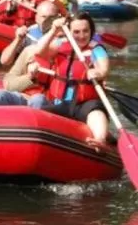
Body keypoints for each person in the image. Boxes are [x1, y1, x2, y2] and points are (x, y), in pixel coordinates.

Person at [37, 11, 111, 143]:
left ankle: (100, 139)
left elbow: (104, 68)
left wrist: (97, 73)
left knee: (96, 113)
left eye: (85, 31)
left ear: (91, 31)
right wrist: (54, 30)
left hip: (84, 105)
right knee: (41, 113)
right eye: (76, 32)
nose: (81, 36)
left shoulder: (96, 50)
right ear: (69, 32)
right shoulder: (60, 45)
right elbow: (39, 51)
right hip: (60, 103)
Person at [0, 0, 62, 108]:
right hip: (27, 89)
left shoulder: (67, 41)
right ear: (36, 17)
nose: (48, 21)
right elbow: (5, 61)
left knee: (38, 100)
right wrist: (18, 39)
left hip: (46, 97)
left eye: (51, 17)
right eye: (44, 17)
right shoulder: (29, 37)